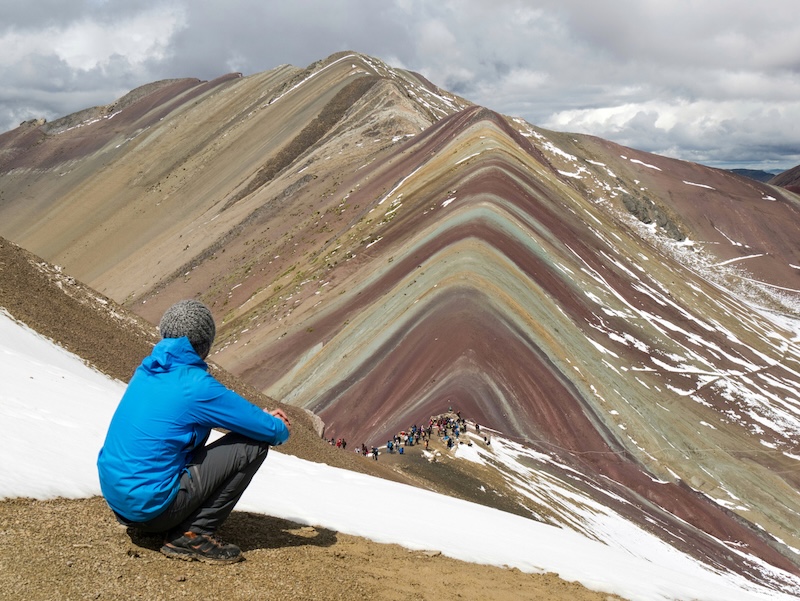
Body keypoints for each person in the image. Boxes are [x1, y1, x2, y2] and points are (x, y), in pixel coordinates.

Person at [97, 299, 291, 564]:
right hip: (149, 510)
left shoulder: (148, 369)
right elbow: (271, 431)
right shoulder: (196, 386)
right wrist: (277, 423)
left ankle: (171, 516)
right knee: (252, 446)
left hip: (119, 501)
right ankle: (194, 535)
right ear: (205, 344)